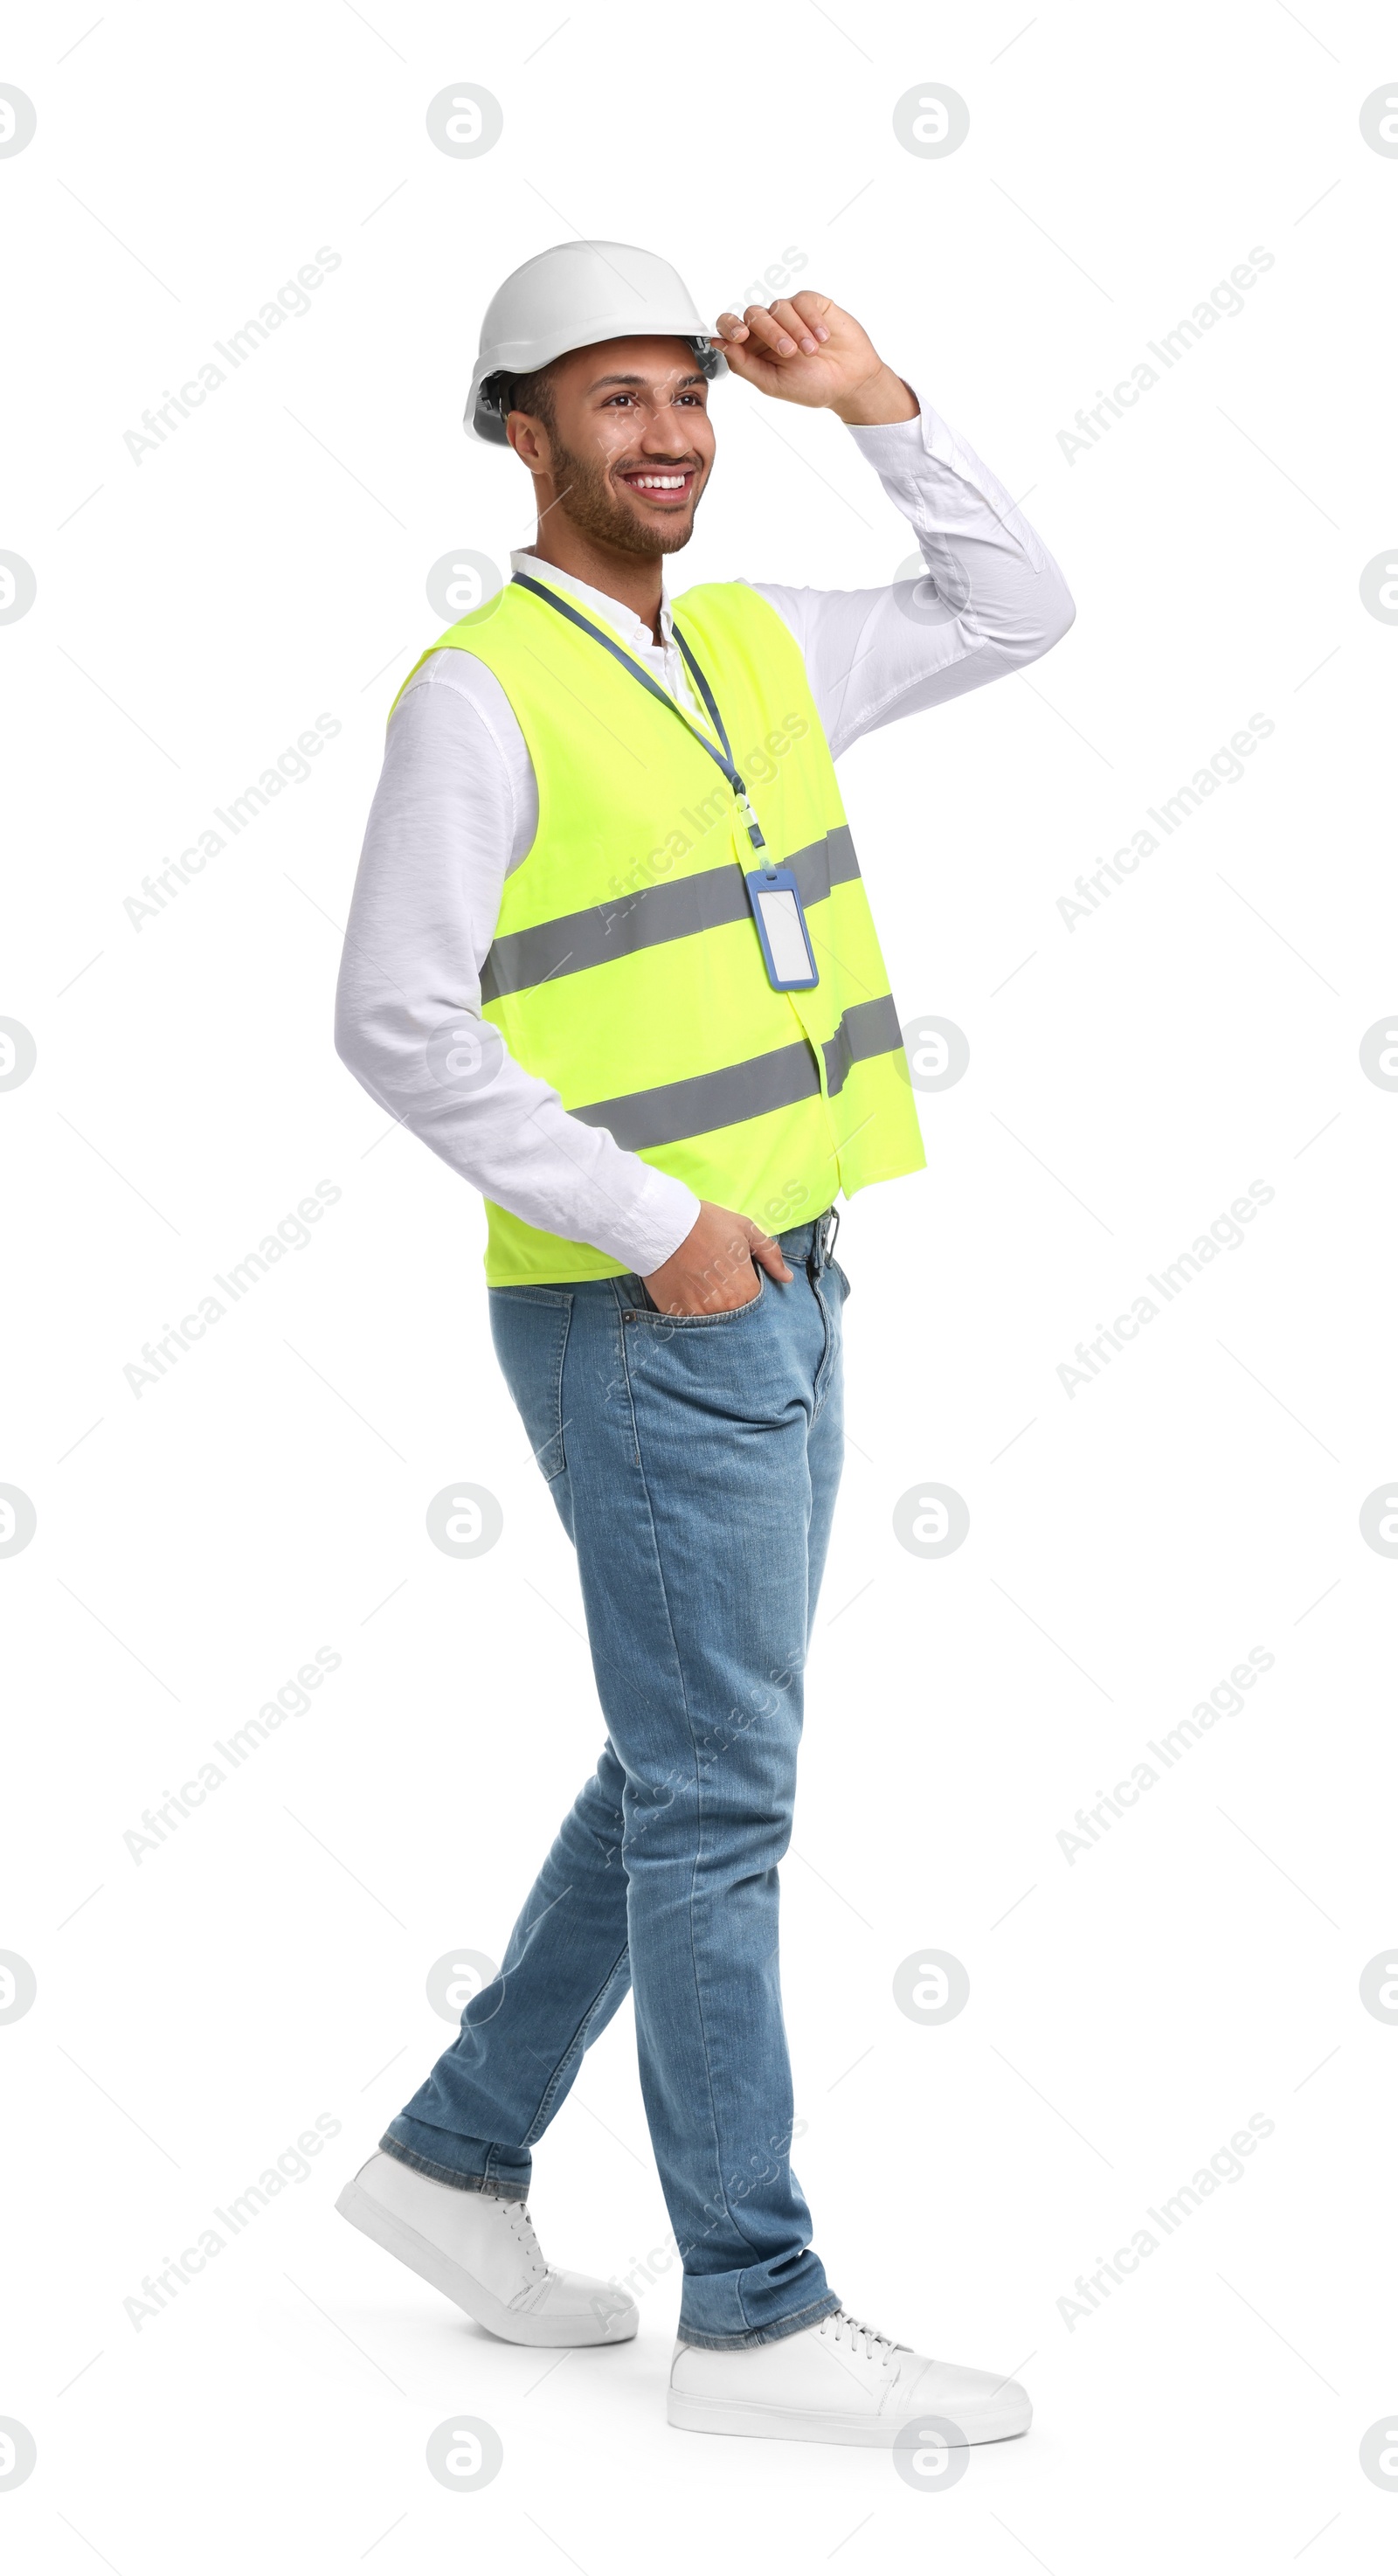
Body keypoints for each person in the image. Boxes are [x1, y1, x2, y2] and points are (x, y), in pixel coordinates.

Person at [332, 240, 1074, 2448]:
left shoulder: (757, 646)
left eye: (688, 395)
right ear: (516, 431)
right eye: (613, 399)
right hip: (647, 1308)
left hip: (794, 1281)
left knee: (683, 1762)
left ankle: (453, 2161)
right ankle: (751, 2307)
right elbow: (392, 1014)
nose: (665, 433)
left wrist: (871, 397)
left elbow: (1018, 606)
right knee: (721, 1794)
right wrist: (660, 1231)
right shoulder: (479, 691)